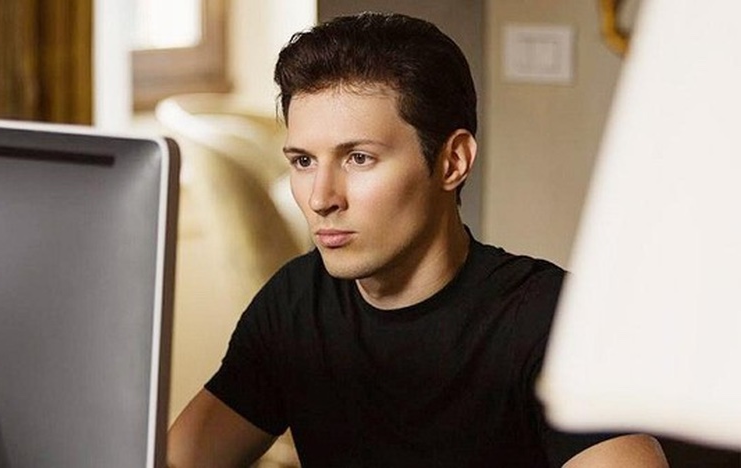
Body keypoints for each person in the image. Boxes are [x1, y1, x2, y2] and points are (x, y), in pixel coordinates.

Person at [166, 12, 668, 468]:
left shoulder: (548, 320)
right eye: (303, 161)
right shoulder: (297, 303)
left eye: (358, 158)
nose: (320, 198)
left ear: (452, 162)